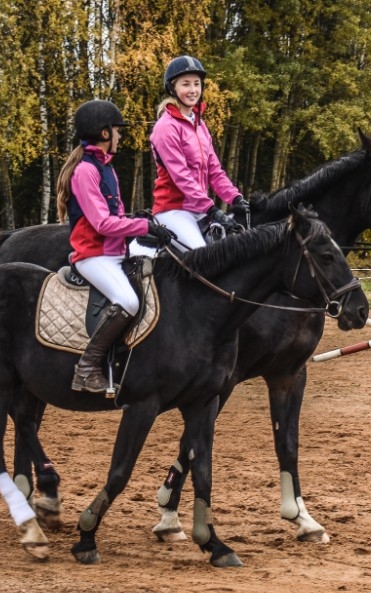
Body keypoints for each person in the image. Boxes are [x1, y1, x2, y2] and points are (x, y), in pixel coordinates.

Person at [57, 99, 173, 392]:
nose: (120, 136)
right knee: (129, 301)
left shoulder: (105, 167)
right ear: (104, 133)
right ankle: (86, 367)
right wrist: (145, 226)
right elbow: (102, 224)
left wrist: (140, 222)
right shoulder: (86, 171)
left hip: (116, 252)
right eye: (117, 131)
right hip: (93, 256)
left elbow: (117, 217)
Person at [131, 55, 251, 256]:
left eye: (197, 84)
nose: (193, 90)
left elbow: (215, 171)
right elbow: (182, 178)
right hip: (173, 210)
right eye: (186, 84)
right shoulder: (165, 128)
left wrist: (235, 197)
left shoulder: (200, 125)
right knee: (204, 258)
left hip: (199, 209)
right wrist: (212, 209)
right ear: (172, 88)